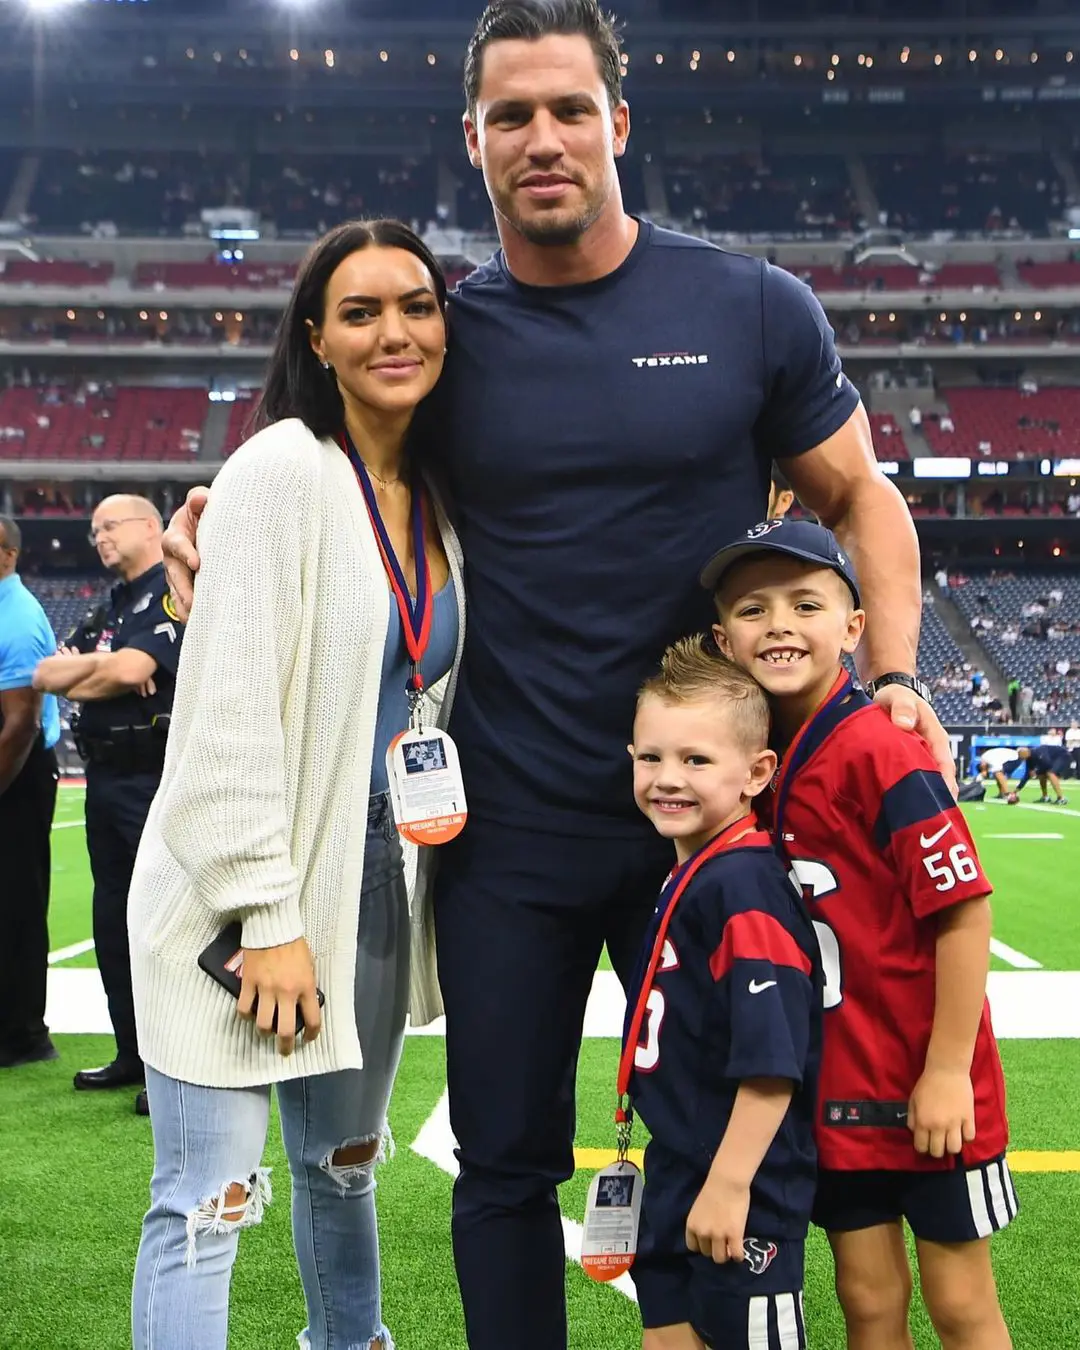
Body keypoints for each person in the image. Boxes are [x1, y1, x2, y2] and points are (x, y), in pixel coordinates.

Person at [160, 5, 955, 1344]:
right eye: (512, 115)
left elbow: (861, 495)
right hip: (508, 827)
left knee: (728, 1142)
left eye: (569, 109)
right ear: (472, 140)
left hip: (706, 827)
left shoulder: (752, 303)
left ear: (618, 125)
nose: (544, 138)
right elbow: (314, 464)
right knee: (507, 1162)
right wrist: (210, 513)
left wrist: (892, 677)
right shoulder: (446, 333)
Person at [125, 220, 465, 1350]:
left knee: (343, 1170)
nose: (394, 332)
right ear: (315, 338)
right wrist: (267, 915)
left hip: (371, 894)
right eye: (359, 313)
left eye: (415, 305)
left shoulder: (445, 497)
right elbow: (223, 719)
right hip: (241, 907)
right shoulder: (277, 468)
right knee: (207, 1208)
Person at [705, 518, 1013, 1350]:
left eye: (805, 603)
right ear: (722, 638)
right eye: (752, 608)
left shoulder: (883, 750)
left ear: (852, 628)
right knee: (869, 1300)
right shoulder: (754, 764)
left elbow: (964, 909)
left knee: (959, 1302)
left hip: (926, 1084)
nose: (777, 624)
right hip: (833, 1088)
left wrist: (948, 1070)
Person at [624, 637, 821, 1350]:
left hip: (741, 1182)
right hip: (677, 1164)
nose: (667, 778)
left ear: (756, 772)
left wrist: (732, 1183)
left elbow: (773, 1060)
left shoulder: (744, 886)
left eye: (696, 760)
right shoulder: (693, 870)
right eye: (652, 758)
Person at [34, 494, 184, 1116]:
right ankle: (131, 1051)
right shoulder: (111, 606)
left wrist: (98, 670)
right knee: (112, 922)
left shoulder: (171, 593)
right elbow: (45, 674)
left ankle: (169, 1067)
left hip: (153, 775)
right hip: (105, 778)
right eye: (94, 529)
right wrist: (108, 668)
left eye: (109, 525)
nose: (98, 536)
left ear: (151, 526)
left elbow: (132, 669)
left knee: (161, 925)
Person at [0, 517, 61, 1068]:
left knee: (16, 902)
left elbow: (19, 723)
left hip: (15, 777)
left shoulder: (16, 618)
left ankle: (22, 1034)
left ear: (8, 554)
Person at [993, 744, 1068, 805]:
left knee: (1050, 773)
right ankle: (1045, 797)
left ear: (1026, 752)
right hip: (1052, 760)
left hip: (1063, 756)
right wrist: (1016, 790)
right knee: (1042, 775)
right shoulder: (1028, 759)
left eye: (1020, 755)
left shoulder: (1038, 752)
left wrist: (1036, 771)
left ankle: (1061, 798)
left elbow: (1047, 764)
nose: (1019, 757)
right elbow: (1027, 775)